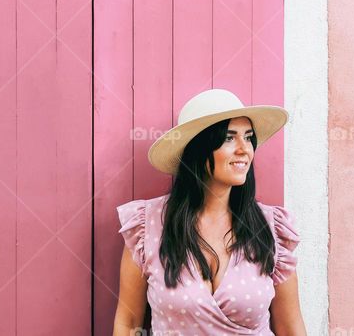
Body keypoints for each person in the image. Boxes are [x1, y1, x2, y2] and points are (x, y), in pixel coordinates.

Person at [112, 88, 307, 336]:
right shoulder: (147, 225)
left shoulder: (273, 228)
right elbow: (128, 323)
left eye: (248, 137)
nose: (244, 149)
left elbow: (290, 328)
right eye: (228, 138)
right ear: (198, 148)